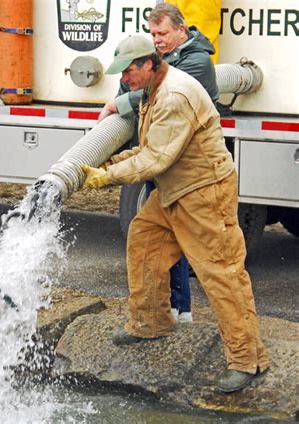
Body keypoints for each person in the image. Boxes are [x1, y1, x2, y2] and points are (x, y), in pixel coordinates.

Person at [80, 34, 269, 393]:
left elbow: (155, 159)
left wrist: (108, 175)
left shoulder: (174, 94)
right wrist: (113, 160)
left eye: (130, 71)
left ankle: (248, 361)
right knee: (144, 240)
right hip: (174, 189)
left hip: (203, 193)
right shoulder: (154, 87)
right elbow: (152, 146)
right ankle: (150, 323)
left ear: (150, 63)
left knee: (222, 274)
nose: (125, 79)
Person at [100, 3, 220, 323]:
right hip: (163, 160)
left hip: (186, 167)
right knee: (159, 237)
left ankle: (183, 312)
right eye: (153, 34)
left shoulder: (197, 62)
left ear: (182, 30)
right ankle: (172, 312)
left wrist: (119, 102)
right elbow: (138, 85)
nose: (157, 40)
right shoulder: (158, 57)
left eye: (163, 33)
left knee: (196, 245)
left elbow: (158, 94)